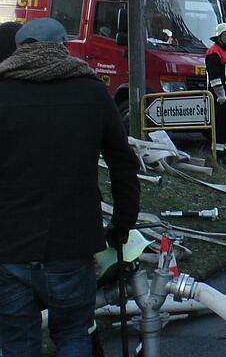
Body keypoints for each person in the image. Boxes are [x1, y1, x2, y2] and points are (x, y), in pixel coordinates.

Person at [0, 18, 141, 356]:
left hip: (10, 246)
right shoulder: (91, 91)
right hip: (72, 243)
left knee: (17, 342)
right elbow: (123, 162)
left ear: (21, 48)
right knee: (74, 334)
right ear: (64, 46)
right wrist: (123, 223)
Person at [206, 22, 226, 163]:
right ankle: (218, 156)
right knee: (220, 125)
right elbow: (214, 77)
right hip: (219, 97)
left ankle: (224, 153)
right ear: (219, 37)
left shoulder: (225, 52)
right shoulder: (214, 52)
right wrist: (221, 95)